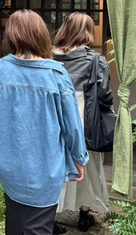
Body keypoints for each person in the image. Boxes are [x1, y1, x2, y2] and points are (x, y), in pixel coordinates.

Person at [0, 10, 89, 235]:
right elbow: (72, 125)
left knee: (15, 223)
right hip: (44, 170)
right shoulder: (56, 74)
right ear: (41, 34)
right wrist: (79, 158)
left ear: (11, 36)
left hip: (9, 167)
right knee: (38, 227)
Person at [53, 13, 112, 232]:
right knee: (88, 165)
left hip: (54, 118)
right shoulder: (95, 60)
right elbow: (105, 94)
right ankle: (84, 215)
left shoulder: (49, 57)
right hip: (84, 122)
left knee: (53, 165)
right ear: (89, 31)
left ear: (65, 29)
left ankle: (48, 216)